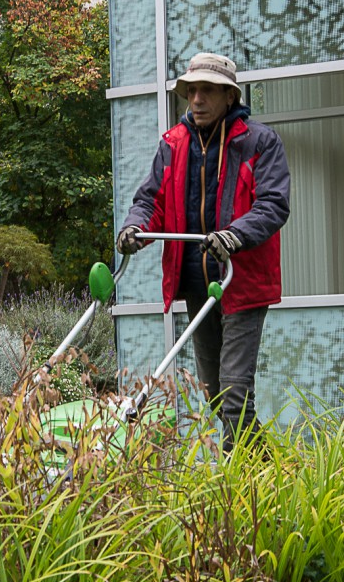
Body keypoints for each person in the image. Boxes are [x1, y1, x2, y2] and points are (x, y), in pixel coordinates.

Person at [116, 52, 291, 452]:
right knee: (214, 395)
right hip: (198, 283)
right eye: (191, 91)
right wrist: (135, 228)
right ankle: (267, 469)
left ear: (229, 96)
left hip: (241, 282)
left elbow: (273, 205)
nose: (196, 99)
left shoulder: (259, 143)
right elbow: (150, 201)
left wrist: (234, 235)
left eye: (207, 91)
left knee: (234, 395)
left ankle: (241, 487)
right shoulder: (173, 145)